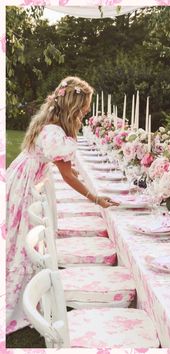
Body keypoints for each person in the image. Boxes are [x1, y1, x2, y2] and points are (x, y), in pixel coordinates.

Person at [6, 76, 118, 334]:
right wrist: (95, 198)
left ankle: (32, 286)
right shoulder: (55, 134)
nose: (88, 110)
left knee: (17, 235)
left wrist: (86, 185)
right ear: (74, 106)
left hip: (25, 174)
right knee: (19, 235)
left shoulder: (51, 124)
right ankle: (23, 291)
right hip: (27, 183)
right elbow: (66, 175)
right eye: (86, 105)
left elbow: (67, 169)